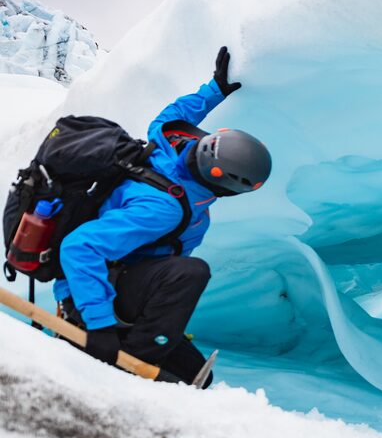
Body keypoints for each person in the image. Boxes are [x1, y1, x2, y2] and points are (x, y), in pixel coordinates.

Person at [55, 47, 271, 386]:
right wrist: (98, 325)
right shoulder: (163, 208)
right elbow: (78, 247)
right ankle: (131, 363)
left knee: (200, 377)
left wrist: (215, 89)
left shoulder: (168, 143)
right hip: (97, 293)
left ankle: (143, 340)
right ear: (223, 182)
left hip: (125, 280)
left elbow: (175, 112)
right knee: (190, 272)